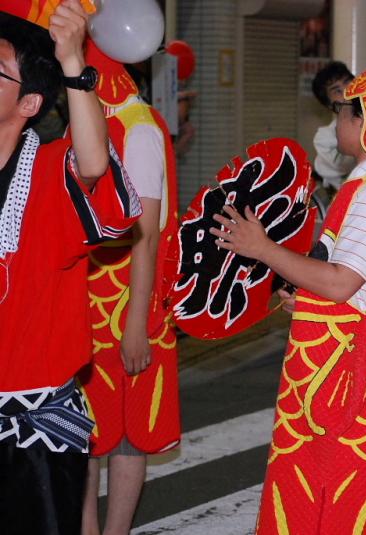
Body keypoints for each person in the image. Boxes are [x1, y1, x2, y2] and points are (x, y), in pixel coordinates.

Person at [211, 41, 366, 534]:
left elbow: (340, 283)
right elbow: (354, 285)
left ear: (365, 120)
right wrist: (305, 296)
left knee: (341, 494)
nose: (337, 122)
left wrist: (263, 248)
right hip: (364, 374)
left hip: (357, 382)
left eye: (343, 112)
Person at [0, 2, 140, 533]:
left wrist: (74, 65)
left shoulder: (52, 170)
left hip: (33, 433)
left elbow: (94, 165)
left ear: (29, 101)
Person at [78, 40, 180, 535]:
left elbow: (146, 234)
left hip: (128, 307)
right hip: (90, 303)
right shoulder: (97, 122)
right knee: (84, 428)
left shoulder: (137, 129)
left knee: (128, 430)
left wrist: (136, 324)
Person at [311, 60, 356, 190]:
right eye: (337, 91)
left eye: (348, 82)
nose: (347, 91)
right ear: (329, 104)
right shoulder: (325, 139)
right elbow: (348, 162)